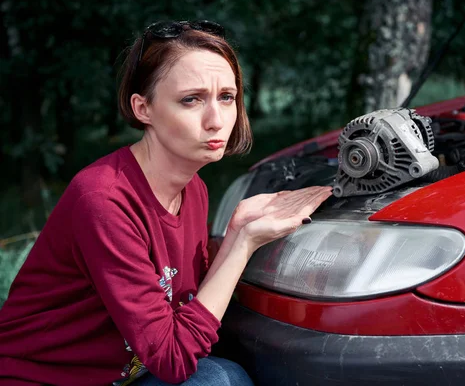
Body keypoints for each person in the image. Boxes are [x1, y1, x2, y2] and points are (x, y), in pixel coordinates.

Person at [0, 20, 332, 386]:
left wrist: (238, 229)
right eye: (191, 99)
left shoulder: (194, 190)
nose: (216, 120)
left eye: (227, 97)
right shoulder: (104, 201)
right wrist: (245, 244)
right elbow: (174, 358)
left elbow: (191, 313)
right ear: (143, 109)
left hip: (127, 374)